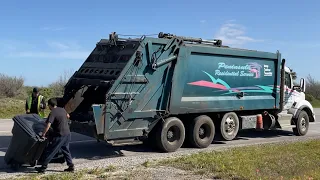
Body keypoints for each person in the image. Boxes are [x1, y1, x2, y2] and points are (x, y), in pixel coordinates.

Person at [35, 98, 74, 173]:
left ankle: (43, 168)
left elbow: (48, 124)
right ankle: (71, 166)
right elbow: (68, 116)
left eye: (48, 105)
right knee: (66, 150)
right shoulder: (62, 109)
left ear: (50, 105)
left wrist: (43, 134)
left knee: (50, 150)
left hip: (60, 135)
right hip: (67, 134)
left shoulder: (53, 112)